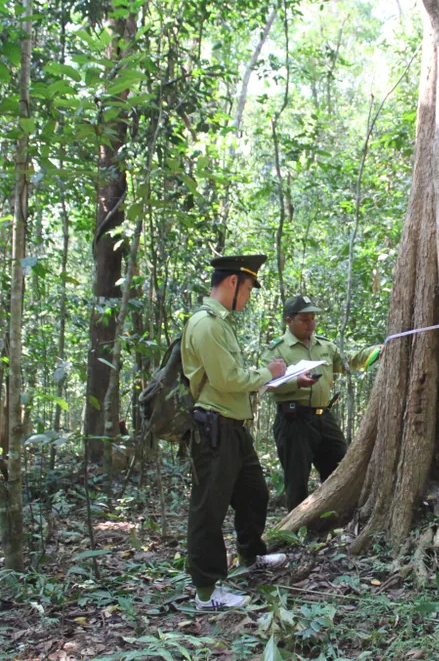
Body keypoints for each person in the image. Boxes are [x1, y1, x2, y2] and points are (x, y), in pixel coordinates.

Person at [181, 254, 289, 611]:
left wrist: (273, 377)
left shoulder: (222, 324)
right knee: (208, 510)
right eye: (248, 289)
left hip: (234, 428)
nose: (248, 297)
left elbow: (232, 376)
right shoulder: (207, 324)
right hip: (215, 429)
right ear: (232, 283)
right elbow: (227, 380)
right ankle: (207, 592)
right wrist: (268, 374)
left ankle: (252, 555)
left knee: (253, 494)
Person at [263, 295, 381, 512]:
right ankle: (297, 530)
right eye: (304, 319)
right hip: (293, 420)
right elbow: (267, 383)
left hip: (323, 417)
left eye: (313, 319)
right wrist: (296, 382)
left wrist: (378, 351)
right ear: (289, 320)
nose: (311, 324)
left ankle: (336, 519)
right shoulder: (277, 350)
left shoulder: (324, 345)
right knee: (297, 478)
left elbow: (348, 362)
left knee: (340, 468)